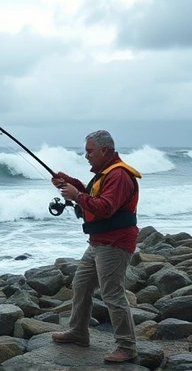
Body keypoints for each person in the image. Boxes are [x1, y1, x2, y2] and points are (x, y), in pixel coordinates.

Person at [50, 130, 142, 363]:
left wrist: (76, 196)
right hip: (99, 241)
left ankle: (127, 346)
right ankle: (79, 332)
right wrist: (70, 184)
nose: (86, 156)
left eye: (90, 151)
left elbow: (105, 207)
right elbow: (91, 193)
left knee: (112, 293)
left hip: (115, 243)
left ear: (105, 150)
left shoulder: (119, 175)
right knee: (81, 284)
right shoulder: (105, 174)